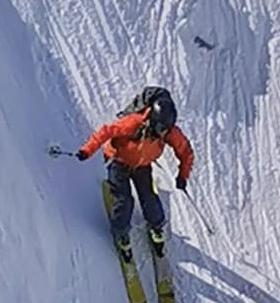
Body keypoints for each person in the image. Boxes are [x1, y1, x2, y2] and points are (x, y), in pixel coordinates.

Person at [77, 89, 194, 261]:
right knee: (125, 201)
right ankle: (121, 233)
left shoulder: (168, 131)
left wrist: (183, 175)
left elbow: (186, 151)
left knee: (149, 198)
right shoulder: (134, 123)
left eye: (167, 129)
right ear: (153, 120)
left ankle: (156, 227)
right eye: (161, 128)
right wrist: (87, 150)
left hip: (142, 165)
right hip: (118, 161)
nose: (163, 133)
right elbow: (106, 131)